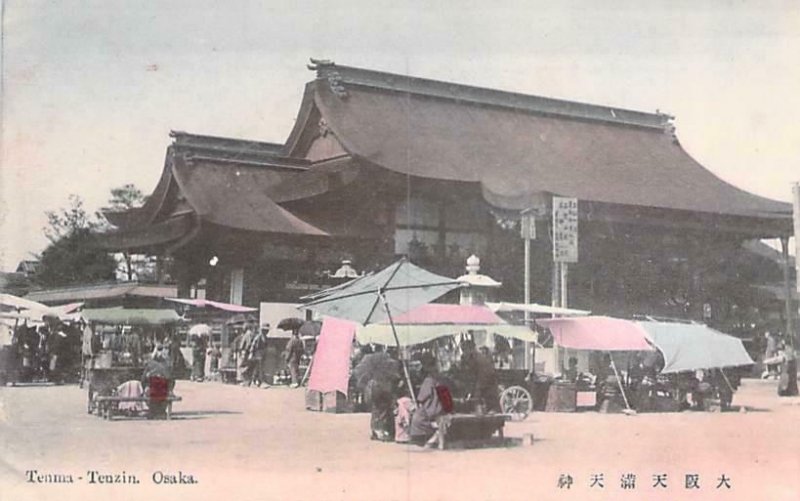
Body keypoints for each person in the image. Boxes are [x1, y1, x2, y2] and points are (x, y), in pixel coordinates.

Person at [409, 353, 450, 447]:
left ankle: (434, 433)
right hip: (442, 405)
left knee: (416, 418)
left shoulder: (429, 379)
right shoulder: (440, 377)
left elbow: (422, 397)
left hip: (433, 407)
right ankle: (435, 435)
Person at [460, 340, 500, 412]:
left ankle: (480, 410)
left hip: (486, 377)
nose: (464, 351)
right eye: (463, 349)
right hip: (480, 377)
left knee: (478, 393)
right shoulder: (471, 356)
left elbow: (479, 372)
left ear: (471, 348)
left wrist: (477, 387)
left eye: (465, 349)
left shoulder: (477, 357)